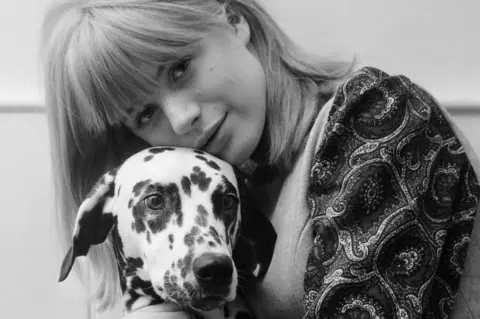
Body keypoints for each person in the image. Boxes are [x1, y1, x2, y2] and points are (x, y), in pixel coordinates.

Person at [40, 0, 480, 318]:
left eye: (179, 67)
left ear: (233, 19)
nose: (181, 119)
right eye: (145, 113)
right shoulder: (228, 195)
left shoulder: (376, 116)